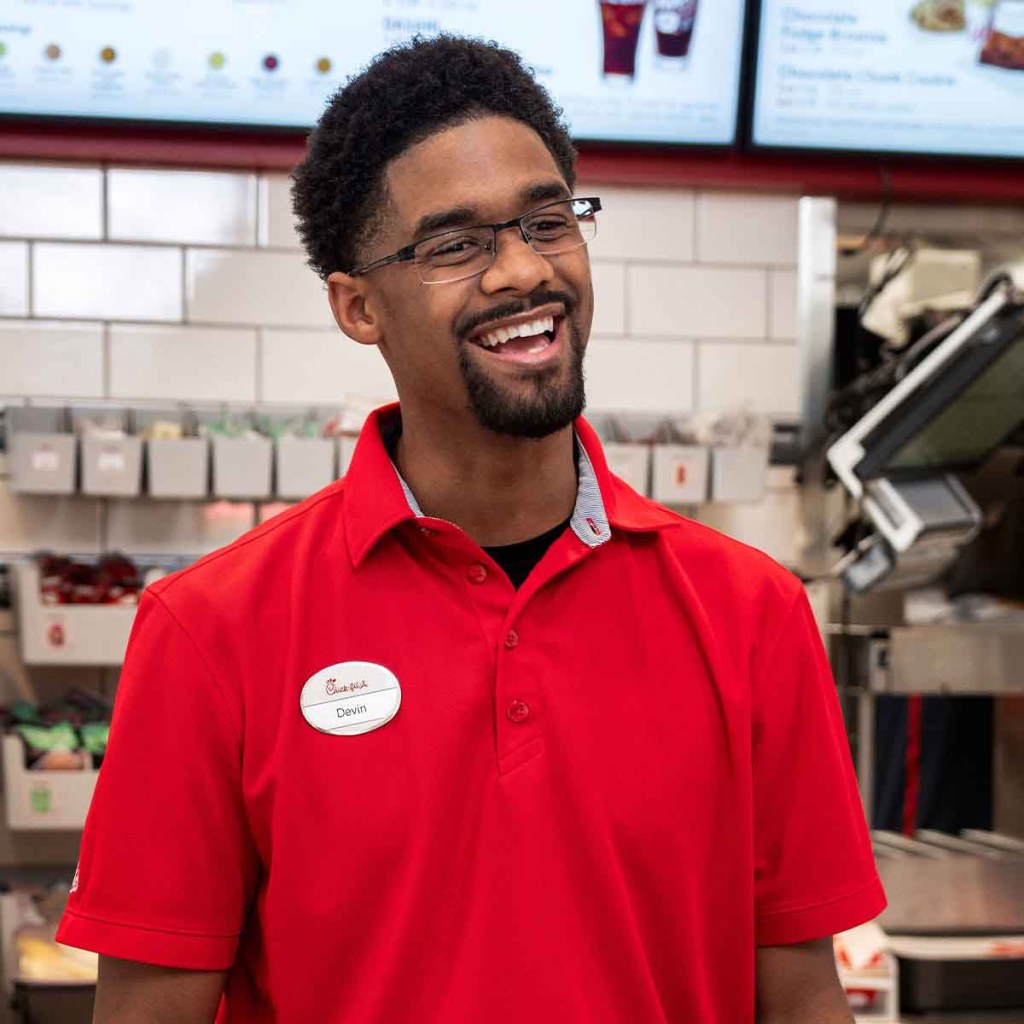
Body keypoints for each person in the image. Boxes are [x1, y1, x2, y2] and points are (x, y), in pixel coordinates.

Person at [58, 35, 885, 1024]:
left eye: (548, 220)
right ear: (358, 307)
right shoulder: (211, 630)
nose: (522, 271)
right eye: (455, 244)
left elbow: (800, 998)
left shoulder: (751, 613)